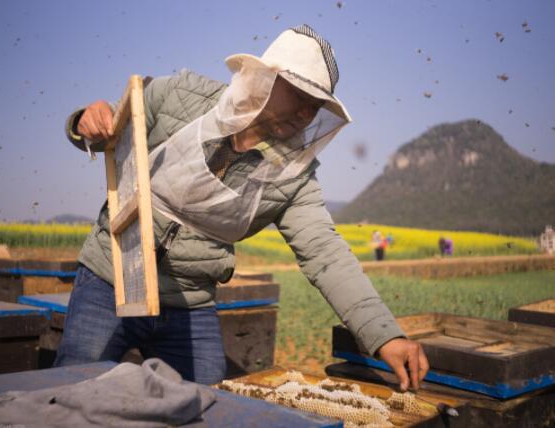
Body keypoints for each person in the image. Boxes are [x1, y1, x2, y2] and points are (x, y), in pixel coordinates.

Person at [58, 25, 428, 390]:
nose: (305, 114)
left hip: (190, 300)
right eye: (299, 96)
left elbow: (325, 253)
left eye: (315, 107)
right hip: (110, 278)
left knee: (207, 409)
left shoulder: (293, 174)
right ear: (265, 78)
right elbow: (109, 129)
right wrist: (84, 122)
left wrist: (385, 336)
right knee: (71, 394)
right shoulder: (179, 97)